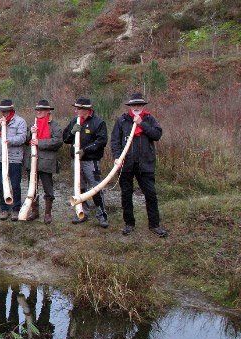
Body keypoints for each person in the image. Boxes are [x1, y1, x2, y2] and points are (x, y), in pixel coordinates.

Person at [111, 93, 167, 237]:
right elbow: (115, 141)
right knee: (126, 195)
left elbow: (157, 135)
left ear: (143, 106)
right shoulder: (122, 120)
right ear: (130, 106)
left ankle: (154, 225)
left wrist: (142, 123)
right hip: (126, 164)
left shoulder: (149, 119)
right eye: (134, 105)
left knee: (151, 195)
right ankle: (129, 224)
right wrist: (117, 157)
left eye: (139, 105)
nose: (136, 107)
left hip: (145, 164)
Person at [62, 97, 109, 228]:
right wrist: (72, 133)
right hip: (76, 161)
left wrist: (85, 150)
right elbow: (65, 139)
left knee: (96, 188)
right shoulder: (74, 122)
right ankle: (83, 213)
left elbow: (101, 141)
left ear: (87, 110)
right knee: (80, 187)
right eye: (75, 108)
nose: (75, 110)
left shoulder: (98, 122)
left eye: (78, 108)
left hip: (91, 161)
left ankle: (102, 215)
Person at [27, 100, 63, 224]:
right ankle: (35, 212)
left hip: (47, 162)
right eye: (37, 110)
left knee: (48, 189)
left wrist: (40, 143)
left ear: (48, 111)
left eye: (41, 110)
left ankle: (48, 214)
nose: (38, 112)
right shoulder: (33, 123)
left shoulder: (54, 125)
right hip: (32, 161)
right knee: (32, 187)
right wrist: (30, 133)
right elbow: (26, 139)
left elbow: (58, 141)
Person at [0, 99, 28, 220]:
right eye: (2, 111)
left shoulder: (20, 121)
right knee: (1, 184)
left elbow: (22, 138)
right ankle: (4, 208)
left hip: (14, 158)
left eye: (5, 111)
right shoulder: (1, 121)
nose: (3, 113)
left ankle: (16, 209)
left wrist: (10, 140)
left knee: (15, 184)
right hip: (0, 157)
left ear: (11, 110)